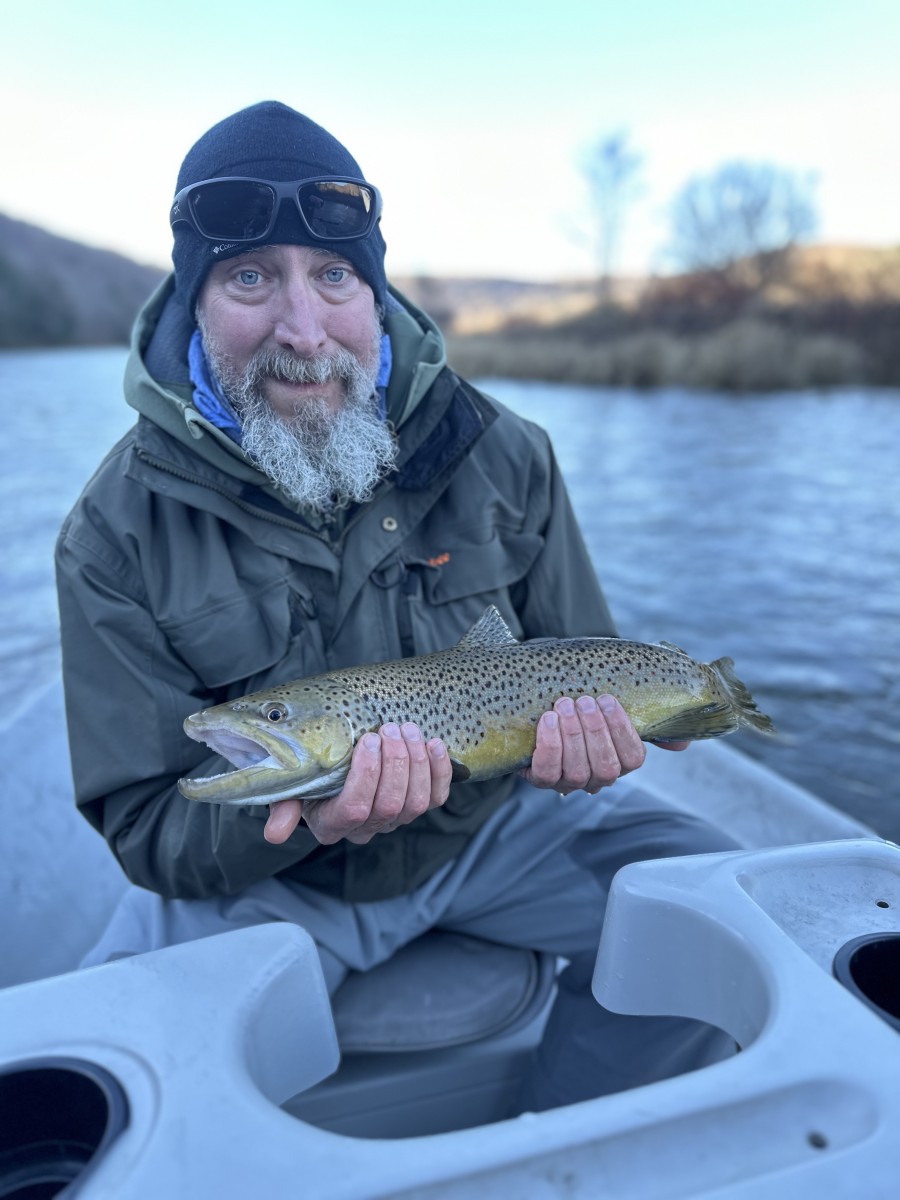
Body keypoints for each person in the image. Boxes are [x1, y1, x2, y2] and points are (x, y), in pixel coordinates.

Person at [56, 100, 737, 1113]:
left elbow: (580, 661)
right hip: (271, 885)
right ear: (191, 299)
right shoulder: (112, 531)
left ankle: (576, 1154)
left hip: (492, 839)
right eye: (249, 276)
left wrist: (595, 755)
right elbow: (153, 827)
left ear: (374, 295)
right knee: (100, 1083)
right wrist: (313, 820)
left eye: (334, 276)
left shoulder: (509, 455)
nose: (302, 327)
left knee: (717, 915)